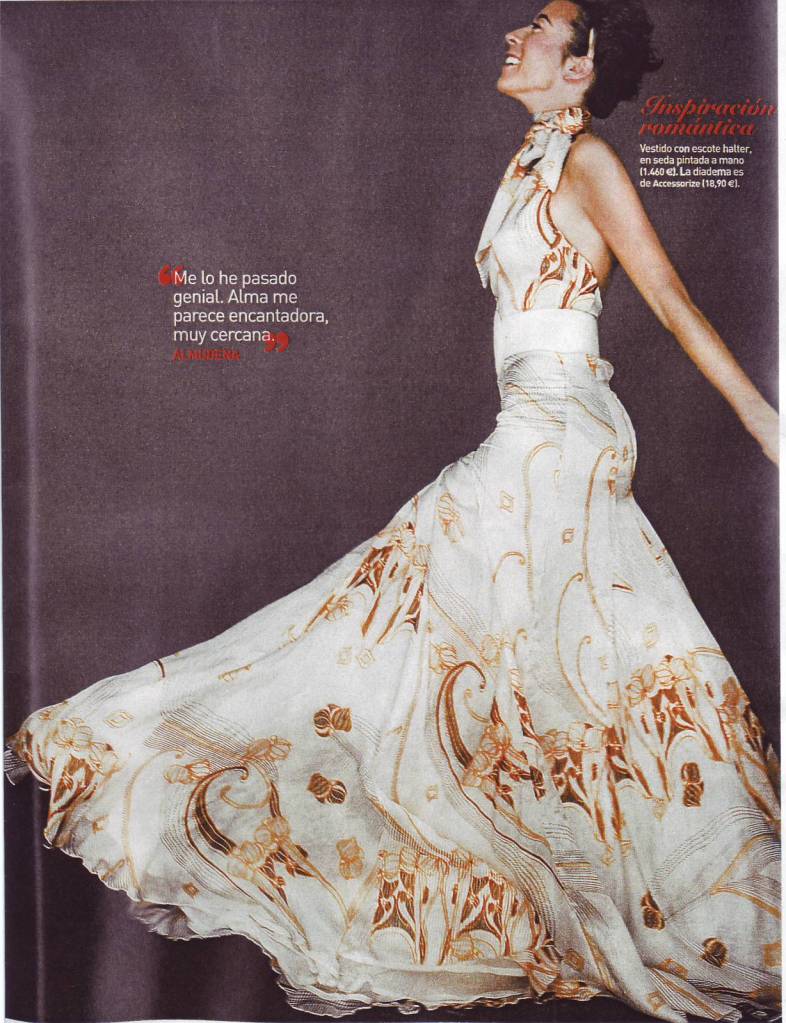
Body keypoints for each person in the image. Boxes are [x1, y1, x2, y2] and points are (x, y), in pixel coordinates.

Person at [4, 2, 780, 1022]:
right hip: (537, 422)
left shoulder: (589, 160)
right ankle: (559, 879)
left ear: (581, 68)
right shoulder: (530, 161)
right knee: (505, 649)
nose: (515, 37)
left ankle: (637, 890)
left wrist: (770, 426)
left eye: (540, 28)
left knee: (414, 603)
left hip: (561, 429)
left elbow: (669, 297)